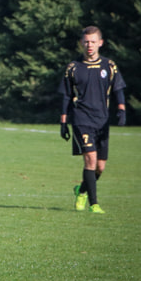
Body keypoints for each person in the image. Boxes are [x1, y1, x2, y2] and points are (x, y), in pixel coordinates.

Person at [59, 26, 126, 214]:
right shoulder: (73, 68)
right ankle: (93, 203)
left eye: (93, 41)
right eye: (86, 41)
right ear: (82, 43)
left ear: (100, 43)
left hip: (102, 120)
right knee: (90, 159)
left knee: (100, 167)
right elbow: (65, 96)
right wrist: (63, 122)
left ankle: (81, 190)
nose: (89, 45)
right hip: (81, 119)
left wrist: (121, 110)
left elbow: (118, 89)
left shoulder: (109, 66)